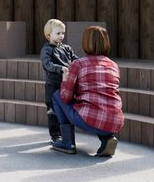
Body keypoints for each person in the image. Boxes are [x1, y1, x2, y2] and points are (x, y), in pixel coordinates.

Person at [51, 25, 123, 157]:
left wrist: (65, 81)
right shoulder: (114, 65)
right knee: (101, 106)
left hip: (89, 120)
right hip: (115, 122)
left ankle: (68, 143)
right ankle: (107, 139)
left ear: (85, 42)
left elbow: (66, 97)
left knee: (57, 95)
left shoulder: (78, 64)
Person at [40, 19, 79, 145]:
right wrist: (60, 68)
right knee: (53, 111)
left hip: (67, 84)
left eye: (63, 33)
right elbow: (47, 64)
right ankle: (55, 135)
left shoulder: (67, 48)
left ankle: (67, 135)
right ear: (49, 34)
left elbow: (75, 60)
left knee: (65, 109)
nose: (61, 36)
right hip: (53, 85)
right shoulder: (47, 49)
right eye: (58, 33)